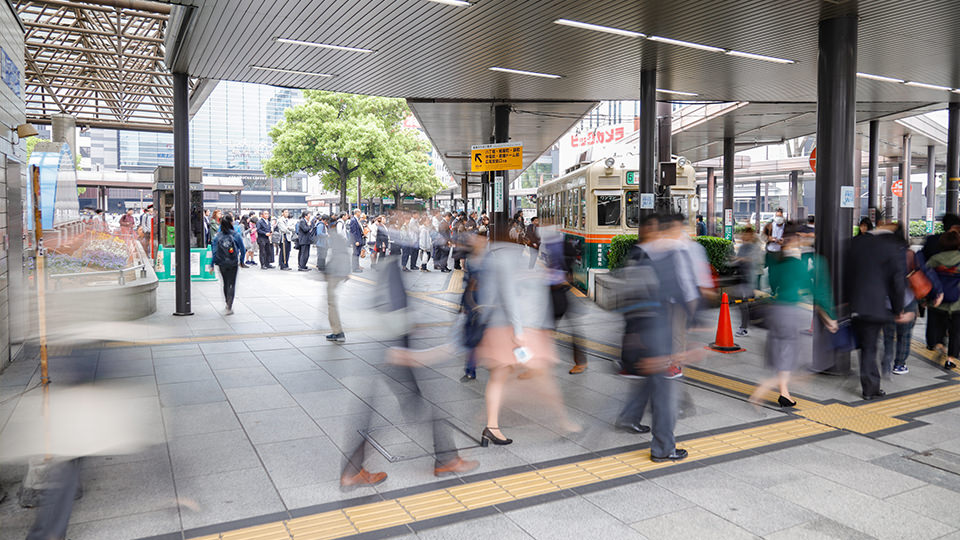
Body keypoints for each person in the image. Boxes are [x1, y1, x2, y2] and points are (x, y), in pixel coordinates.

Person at [751, 222, 836, 407]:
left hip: (776, 311)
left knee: (783, 355)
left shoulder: (777, 259)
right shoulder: (802, 263)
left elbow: (772, 283)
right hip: (792, 313)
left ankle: (784, 393)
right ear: (797, 238)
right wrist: (828, 317)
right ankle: (762, 390)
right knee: (799, 361)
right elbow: (816, 290)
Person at [846, 219, 910, 400]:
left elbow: (847, 272)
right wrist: (899, 309)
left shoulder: (856, 242)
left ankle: (870, 384)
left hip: (855, 303)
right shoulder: (890, 248)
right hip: (875, 306)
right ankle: (871, 389)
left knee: (865, 346)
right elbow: (897, 282)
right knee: (870, 347)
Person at [926, 230, 960, 370]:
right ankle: (950, 359)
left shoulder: (935, 259)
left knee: (938, 327)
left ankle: (940, 344)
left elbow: (925, 278)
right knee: (956, 332)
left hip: (938, 302)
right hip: (957, 303)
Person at [211, 215, 245, 315]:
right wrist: (242, 261)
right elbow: (242, 249)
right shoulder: (236, 235)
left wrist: (212, 264)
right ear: (231, 223)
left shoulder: (218, 236)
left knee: (225, 283)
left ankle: (227, 303)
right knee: (232, 283)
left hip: (221, 263)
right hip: (233, 262)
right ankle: (230, 305)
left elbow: (214, 252)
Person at [733, 226, 760, 337]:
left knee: (745, 303)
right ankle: (749, 322)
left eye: (745, 234)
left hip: (750, 279)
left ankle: (744, 327)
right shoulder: (743, 247)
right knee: (743, 303)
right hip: (741, 277)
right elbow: (738, 260)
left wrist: (741, 259)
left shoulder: (755, 247)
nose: (743, 236)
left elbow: (754, 260)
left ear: (751, 235)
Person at [325, 225, 350, 342]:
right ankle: (337, 331)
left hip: (335, 274)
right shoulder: (340, 238)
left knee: (331, 303)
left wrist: (326, 270)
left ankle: (338, 332)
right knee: (332, 302)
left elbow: (338, 256)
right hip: (339, 273)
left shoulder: (335, 238)